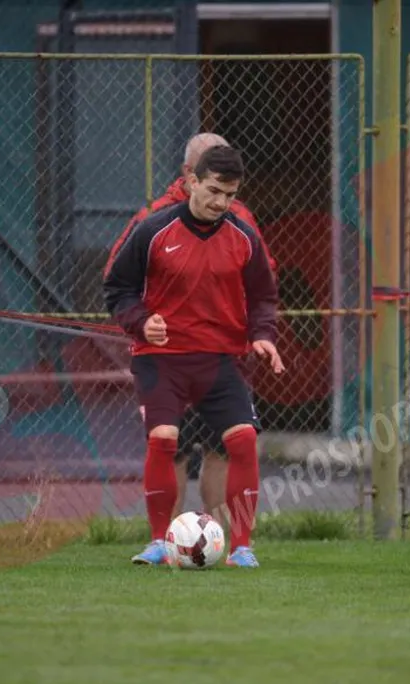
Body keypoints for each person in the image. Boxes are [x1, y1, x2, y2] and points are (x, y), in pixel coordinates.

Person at [103, 145, 284, 568]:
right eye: (214, 191)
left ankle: (241, 548)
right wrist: (141, 321)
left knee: (243, 439)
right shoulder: (152, 229)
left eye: (230, 195)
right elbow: (118, 288)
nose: (221, 202)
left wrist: (263, 336)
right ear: (192, 182)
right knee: (164, 438)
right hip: (161, 359)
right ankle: (157, 543)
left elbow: (263, 296)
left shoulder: (244, 236)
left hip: (219, 360)